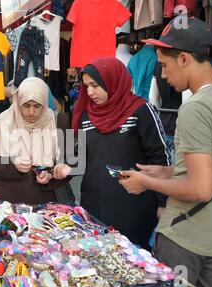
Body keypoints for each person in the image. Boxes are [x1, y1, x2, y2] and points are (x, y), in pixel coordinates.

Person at [119, 16, 212, 287]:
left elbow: (200, 189)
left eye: (164, 66)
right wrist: (166, 172)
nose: (164, 76)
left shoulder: (196, 109)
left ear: (183, 59)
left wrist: (146, 183)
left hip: (188, 238)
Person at [53, 57, 171, 250]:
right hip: (94, 205)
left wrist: (163, 202)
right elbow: (81, 156)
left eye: (95, 85)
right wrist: (67, 166)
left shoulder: (140, 111)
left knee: (135, 261)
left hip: (134, 206)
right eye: (86, 86)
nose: (90, 92)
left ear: (112, 81)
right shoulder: (86, 115)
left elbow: (160, 157)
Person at [0, 77, 73, 205]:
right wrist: (13, 165)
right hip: (9, 201)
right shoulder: (5, 120)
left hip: (45, 202)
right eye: (26, 105)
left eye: (37, 106)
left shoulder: (59, 121)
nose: (31, 112)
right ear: (18, 101)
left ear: (45, 102)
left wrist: (51, 174)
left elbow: (69, 162)